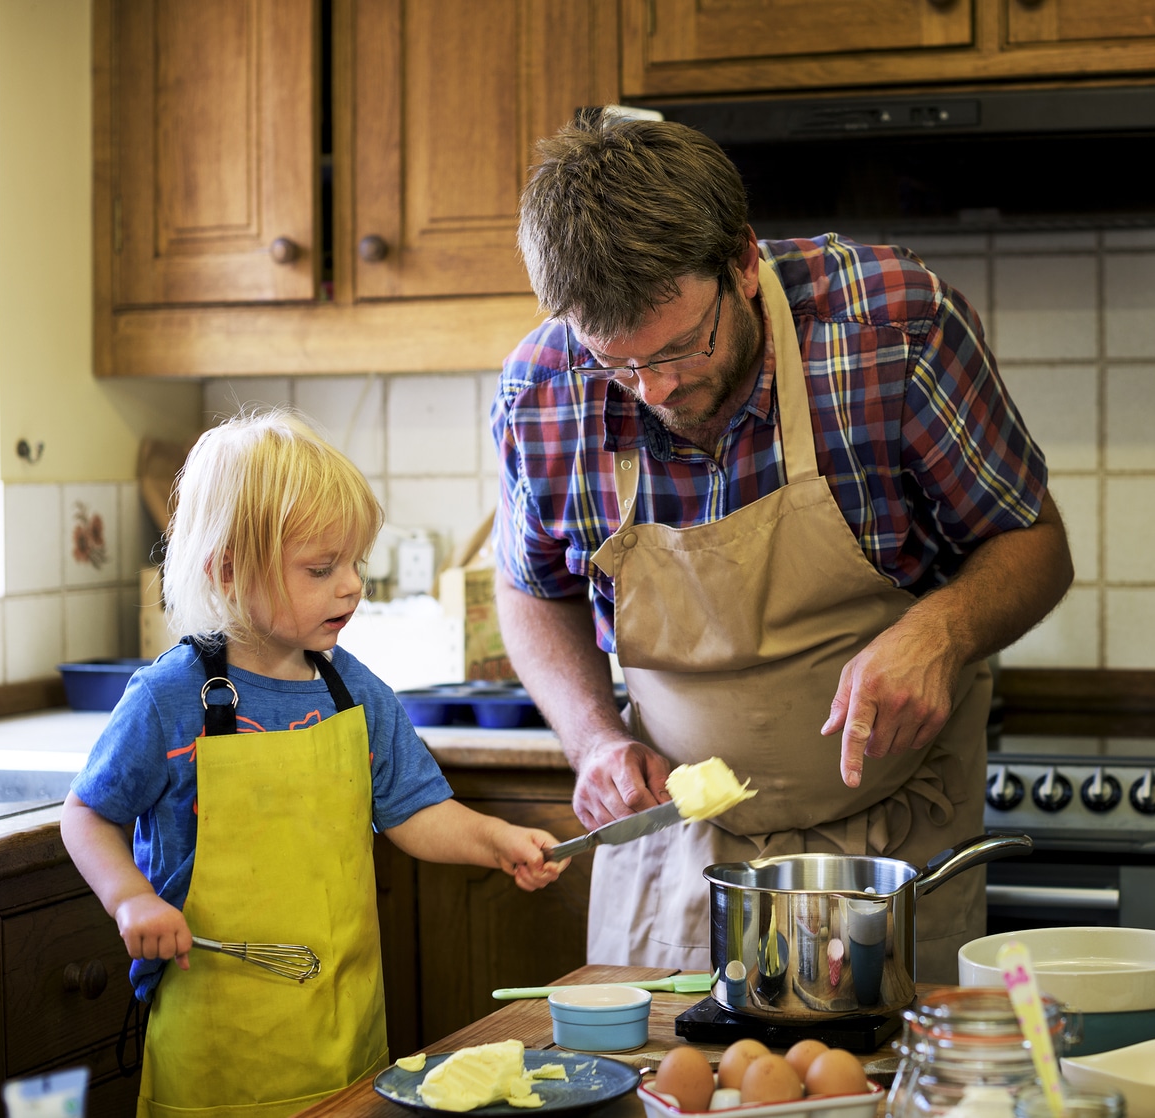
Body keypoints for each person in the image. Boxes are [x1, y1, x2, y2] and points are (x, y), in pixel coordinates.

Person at [492, 116, 1073, 982]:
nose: (659, 389)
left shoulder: (890, 330)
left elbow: (1036, 545)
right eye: (619, 365)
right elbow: (531, 590)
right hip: (679, 858)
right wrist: (594, 740)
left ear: (741, 262)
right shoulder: (542, 391)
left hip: (896, 843)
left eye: (684, 345)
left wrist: (941, 632)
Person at [61, 411, 567, 1118]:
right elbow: (86, 814)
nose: (352, 585)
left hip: (343, 1040)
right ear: (229, 570)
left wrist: (496, 841)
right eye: (321, 568)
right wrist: (130, 899)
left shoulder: (351, 690)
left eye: (356, 562)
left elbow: (416, 811)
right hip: (215, 1058)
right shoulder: (168, 700)